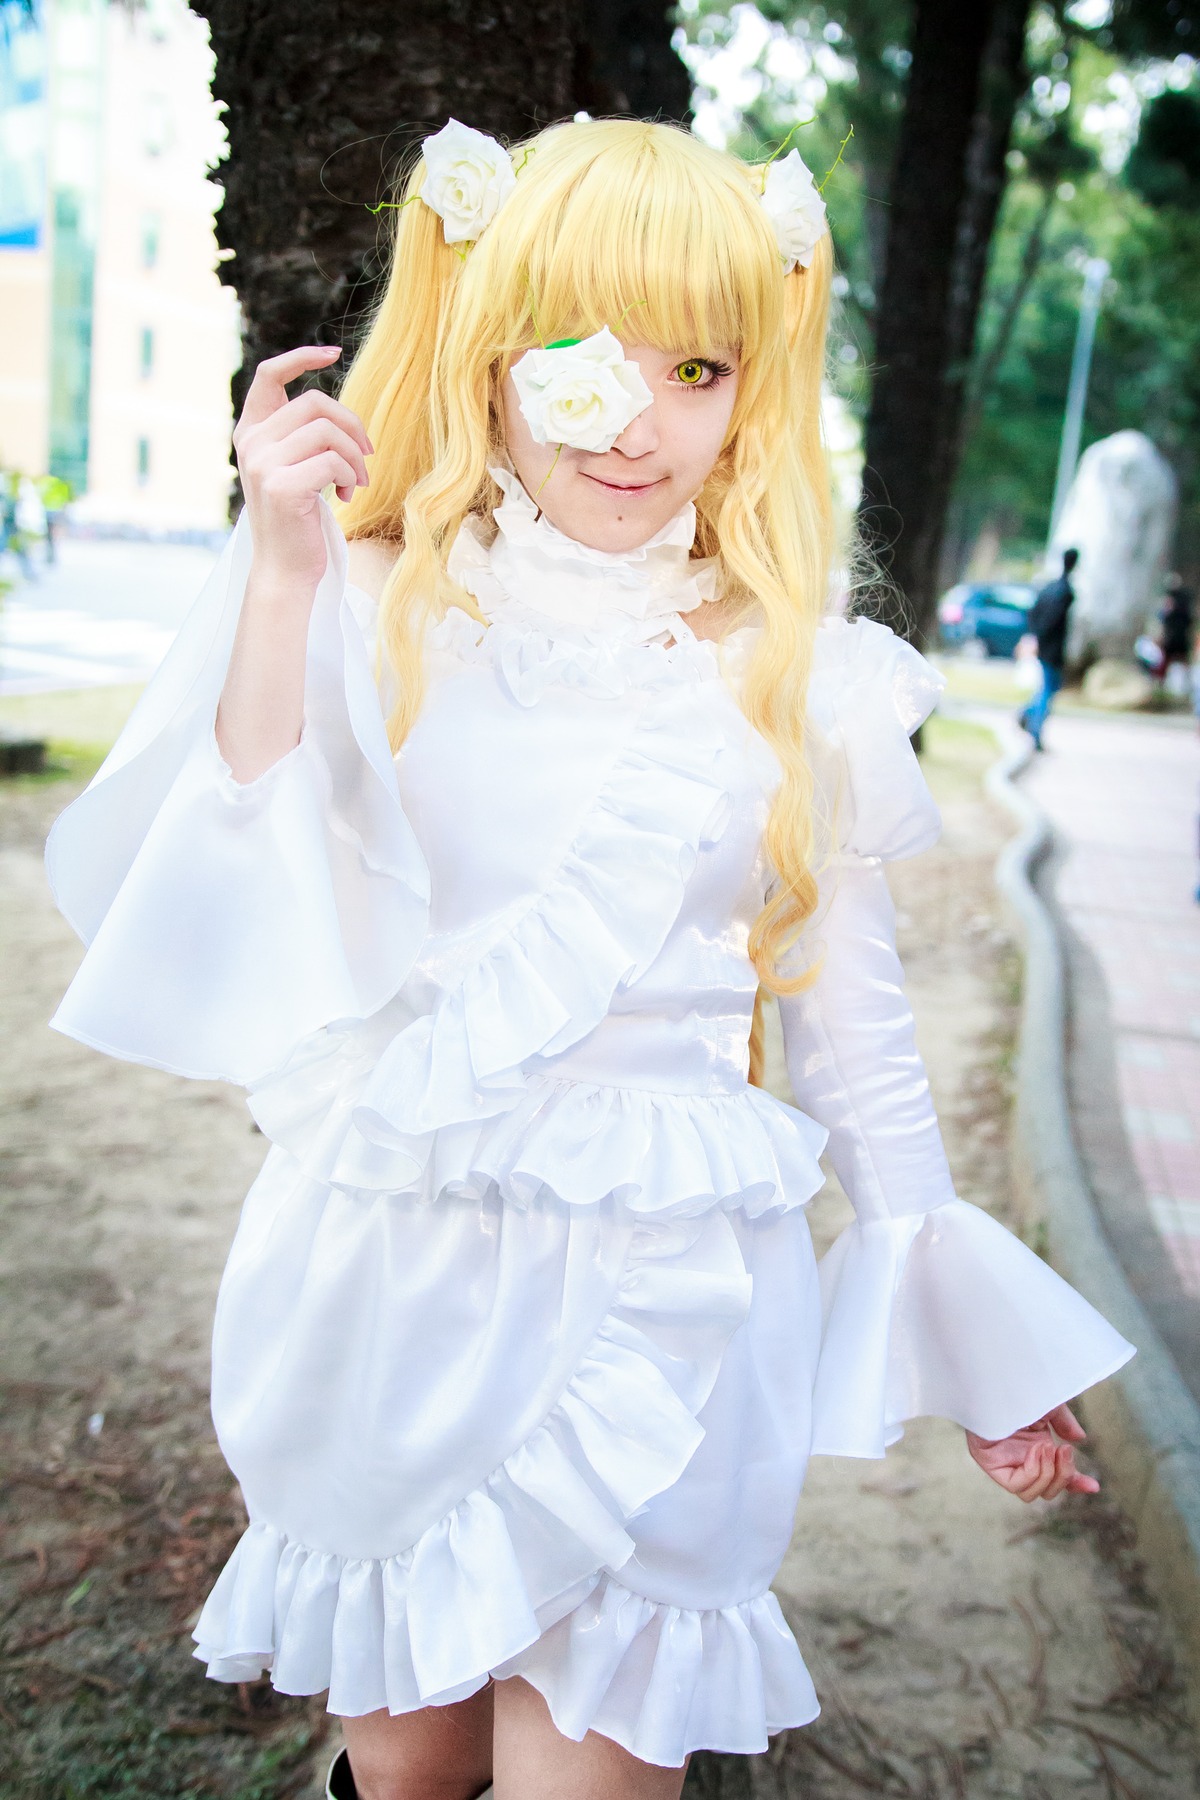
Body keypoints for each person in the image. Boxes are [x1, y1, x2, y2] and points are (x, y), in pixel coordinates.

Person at [44, 121, 1133, 1800]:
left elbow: (853, 1021)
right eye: (584, 356)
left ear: (751, 386)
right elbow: (241, 844)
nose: (639, 420)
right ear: (490, 353)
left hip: (668, 1300)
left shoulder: (800, 672)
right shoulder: (378, 595)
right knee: (406, 1775)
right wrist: (280, 571)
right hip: (394, 1276)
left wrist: (978, 1353)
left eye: (697, 365)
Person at [1020, 547, 1078, 750]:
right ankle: (1033, 727)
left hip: (1045, 646)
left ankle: (1027, 714)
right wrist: (1041, 636)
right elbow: (1050, 620)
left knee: (1048, 687)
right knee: (1047, 689)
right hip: (1052, 649)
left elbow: (1032, 612)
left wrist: (1035, 635)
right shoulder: (1064, 591)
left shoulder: (1050, 587)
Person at [1158, 573, 1195, 689]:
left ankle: (1186, 684)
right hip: (1176, 636)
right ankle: (1162, 684)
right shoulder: (1181, 601)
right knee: (1168, 660)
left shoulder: (1178, 601)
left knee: (1180, 660)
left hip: (1176, 636)